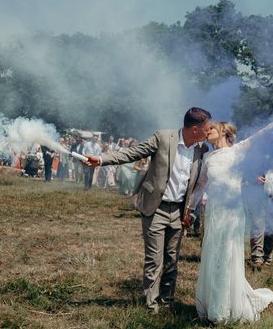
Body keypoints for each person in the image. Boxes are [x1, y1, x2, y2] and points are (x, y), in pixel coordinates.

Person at [189, 107, 273, 324]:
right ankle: (211, 302)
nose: (207, 131)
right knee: (212, 256)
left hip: (231, 214)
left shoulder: (238, 150)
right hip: (213, 214)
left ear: (224, 132)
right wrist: (190, 212)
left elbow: (264, 132)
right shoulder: (207, 157)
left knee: (226, 257)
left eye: (212, 128)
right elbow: (199, 188)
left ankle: (223, 309)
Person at [83, 107, 212, 314]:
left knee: (172, 260)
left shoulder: (202, 149)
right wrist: (101, 160)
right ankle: (151, 305)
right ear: (195, 129)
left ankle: (167, 302)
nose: (210, 131)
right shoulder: (163, 137)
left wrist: (191, 211)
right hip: (156, 208)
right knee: (154, 260)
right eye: (207, 128)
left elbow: (200, 182)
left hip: (179, 212)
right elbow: (132, 153)